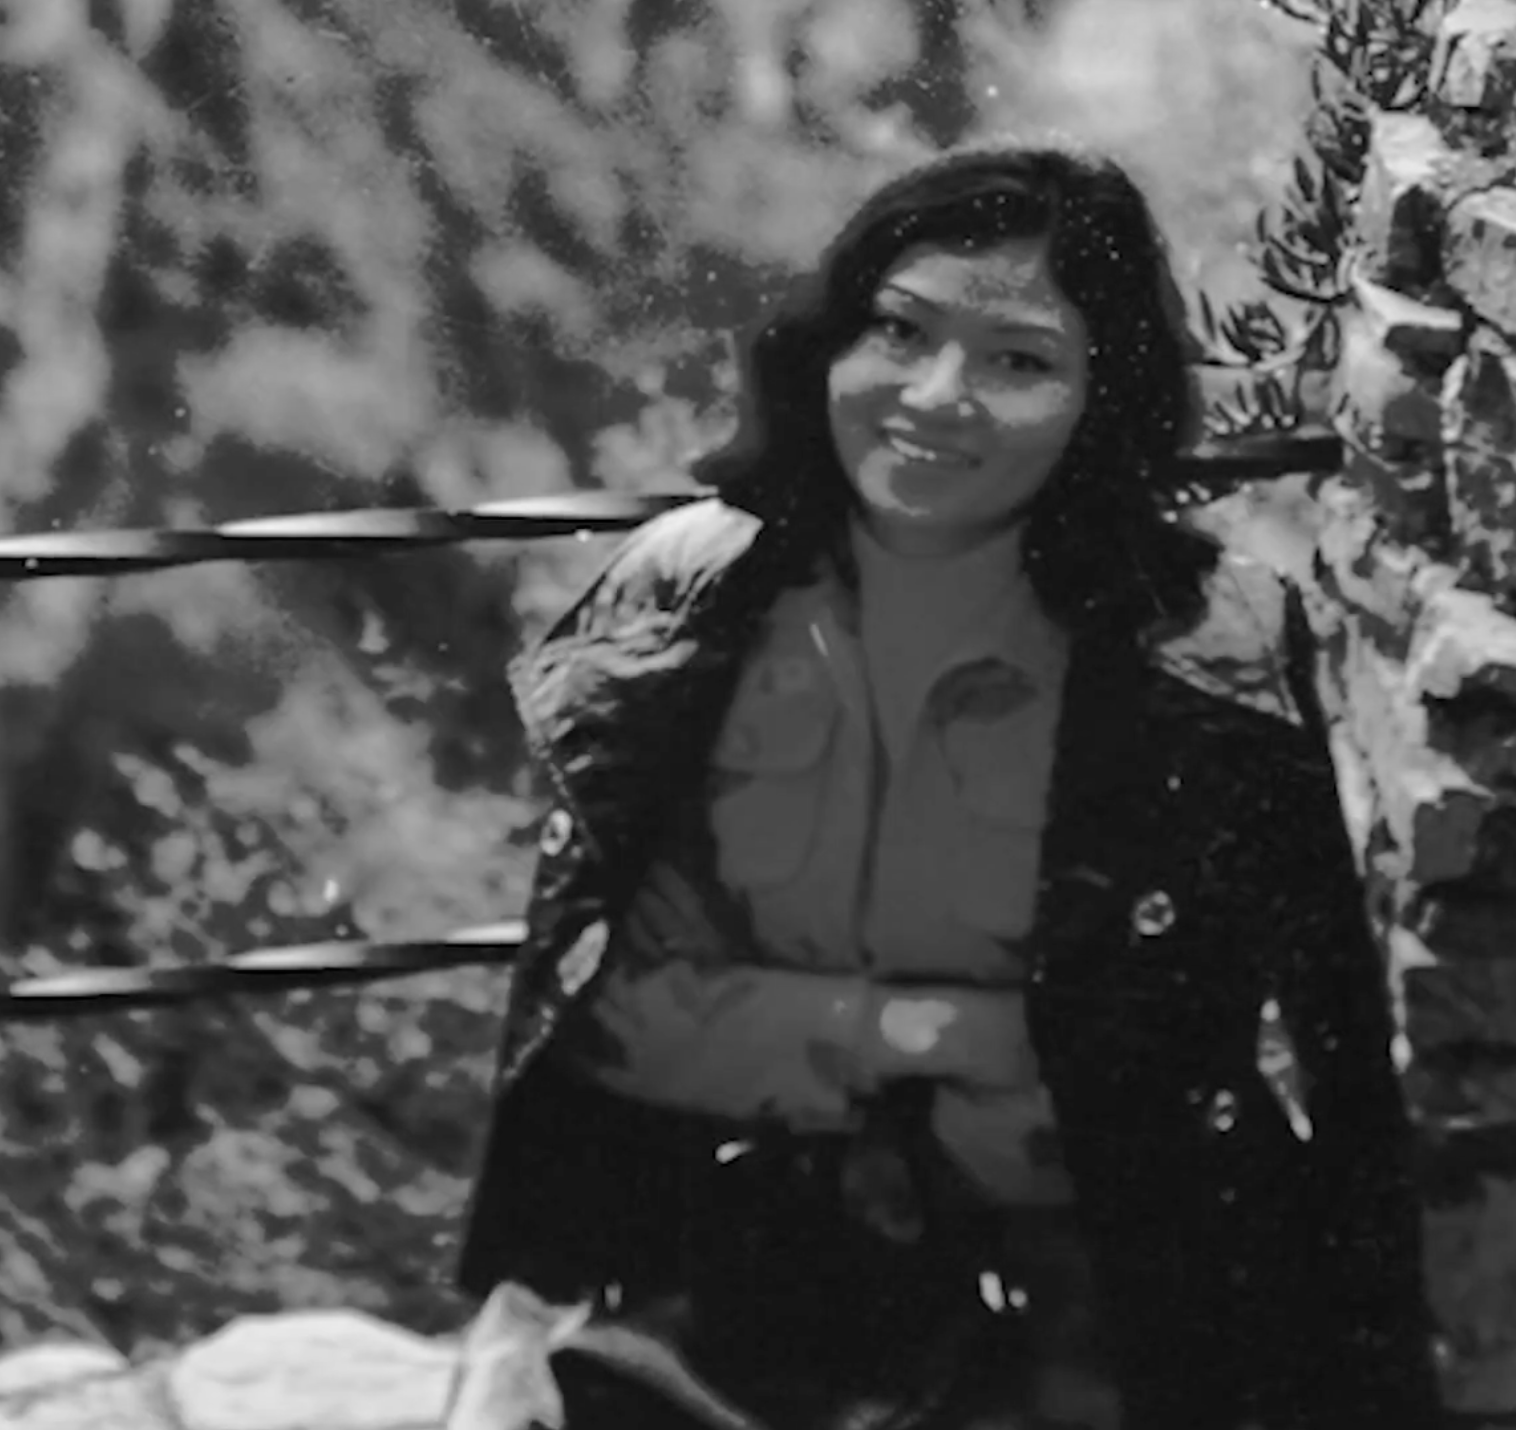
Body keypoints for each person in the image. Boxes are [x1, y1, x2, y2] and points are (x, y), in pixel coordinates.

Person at [443, 141, 1439, 1430]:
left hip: (1103, 1328)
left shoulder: (1213, 649)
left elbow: (1205, 1063)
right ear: (829, 344)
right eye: (898, 332)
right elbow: (615, 1013)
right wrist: (934, 1035)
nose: (935, 396)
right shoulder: (690, 596)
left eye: (1018, 360)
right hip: (726, 1303)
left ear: (1104, 398)